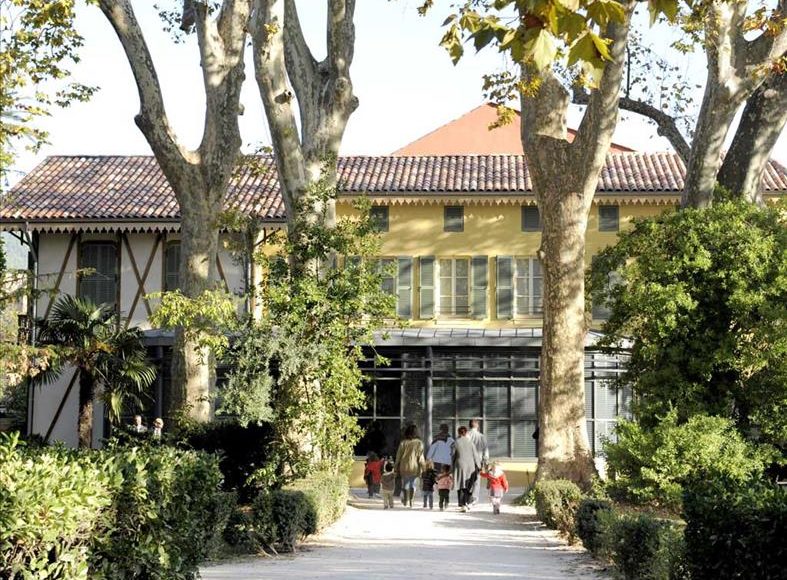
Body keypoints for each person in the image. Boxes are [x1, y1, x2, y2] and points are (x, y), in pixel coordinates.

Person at [394, 423, 425, 508]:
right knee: (413, 484)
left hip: (404, 467)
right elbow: (421, 457)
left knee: (405, 484)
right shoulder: (419, 443)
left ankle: (406, 500)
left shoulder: (403, 443)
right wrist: (424, 468)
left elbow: (398, 456)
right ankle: (411, 501)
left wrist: (395, 467)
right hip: (415, 467)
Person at [453, 425, 481, 512]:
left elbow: (453, 455)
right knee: (469, 484)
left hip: (460, 465)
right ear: (466, 433)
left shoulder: (455, 442)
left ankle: (461, 504)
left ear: (458, 432)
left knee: (460, 484)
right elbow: (475, 455)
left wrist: (451, 466)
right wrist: (479, 466)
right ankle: (467, 503)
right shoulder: (470, 442)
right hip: (470, 466)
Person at [467, 418, 489, 506]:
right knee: (477, 479)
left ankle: (467, 497)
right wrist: (486, 462)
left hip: (467, 461)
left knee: (467, 479)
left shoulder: (466, 435)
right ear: (477, 425)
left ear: (469, 425)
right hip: (478, 461)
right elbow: (485, 450)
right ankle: (474, 498)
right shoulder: (481, 436)